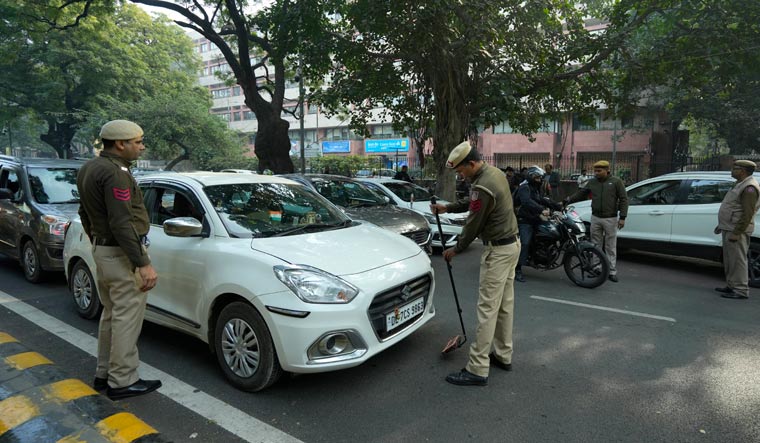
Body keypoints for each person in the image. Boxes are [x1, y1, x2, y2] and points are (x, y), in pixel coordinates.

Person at [77, 120, 161, 400]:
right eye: (138, 142)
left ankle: (105, 374)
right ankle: (123, 380)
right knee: (126, 318)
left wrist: (97, 242)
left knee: (111, 315)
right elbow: (122, 222)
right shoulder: (116, 173)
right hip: (120, 253)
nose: (142, 146)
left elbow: (84, 213)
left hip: (105, 249)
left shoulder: (90, 167)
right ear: (120, 144)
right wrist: (142, 262)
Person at [430, 141, 520, 387]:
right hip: (511, 245)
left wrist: (456, 248)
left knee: (487, 310)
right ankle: (503, 354)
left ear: (471, 163)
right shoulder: (494, 173)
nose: (460, 176)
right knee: (503, 306)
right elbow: (473, 203)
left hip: (498, 252)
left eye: (461, 171)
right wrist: (447, 207)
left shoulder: (483, 185)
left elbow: (473, 223)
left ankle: (478, 368)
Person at [564, 160, 628, 282]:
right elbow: (581, 193)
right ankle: (598, 268)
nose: (596, 173)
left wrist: (623, 217)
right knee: (595, 245)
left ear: (607, 170)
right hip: (596, 218)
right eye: (595, 171)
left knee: (610, 246)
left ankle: (611, 271)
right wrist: (568, 199)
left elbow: (624, 199)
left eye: (599, 171)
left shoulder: (616, 182)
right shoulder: (592, 182)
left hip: (611, 218)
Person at [714, 160, 760, 299]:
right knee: (730, 259)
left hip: (736, 230)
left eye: (735, 168)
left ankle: (740, 290)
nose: (732, 170)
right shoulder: (740, 184)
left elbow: (748, 213)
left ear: (743, 171)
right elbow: (733, 207)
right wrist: (722, 224)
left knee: (738, 260)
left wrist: (737, 232)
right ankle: (731, 285)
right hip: (729, 226)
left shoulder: (749, 188)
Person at [514, 165, 562, 282]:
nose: (540, 180)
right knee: (525, 243)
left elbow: (541, 199)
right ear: (531, 177)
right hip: (524, 219)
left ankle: (540, 254)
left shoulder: (534, 188)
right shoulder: (524, 187)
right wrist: (541, 210)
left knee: (548, 232)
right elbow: (527, 202)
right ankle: (517, 269)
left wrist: (556, 205)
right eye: (537, 178)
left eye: (540, 178)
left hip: (534, 218)